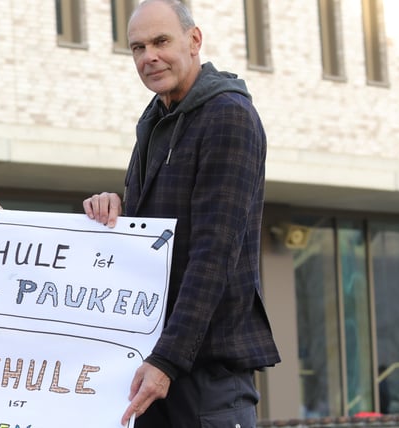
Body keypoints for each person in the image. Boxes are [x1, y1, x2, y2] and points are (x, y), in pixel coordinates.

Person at [82, 1, 280, 426]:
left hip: (203, 375)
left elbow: (213, 255)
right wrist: (119, 211)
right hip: (153, 365)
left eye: (160, 41)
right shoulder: (155, 120)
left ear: (194, 40)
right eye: (138, 47)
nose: (148, 56)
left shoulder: (228, 116)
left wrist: (167, 361)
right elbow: (156, 243)